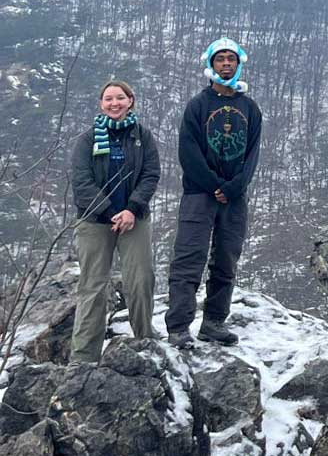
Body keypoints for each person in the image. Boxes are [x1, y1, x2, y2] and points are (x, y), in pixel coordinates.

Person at [165, 38, 262, 349]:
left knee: (226, 260)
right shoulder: (198, 105)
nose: (226, 64)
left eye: (231, 59)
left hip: (235, 198)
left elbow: (252, 154)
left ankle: (214, 322)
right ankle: (179, 325)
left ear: (239, 64)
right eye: (220, 59)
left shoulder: (249, 107)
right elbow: (188, 152)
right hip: (199, 195)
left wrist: (234, 187)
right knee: (189, 259)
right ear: (210, 64)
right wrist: (214, 185)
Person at [69, 80, 160, 363]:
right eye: (108, 99)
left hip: (135, 218)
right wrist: (111, 212)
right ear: (101, 104)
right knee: (94, 287)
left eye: (120, 98)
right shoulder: (87, 140)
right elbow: (81, 182)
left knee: (141, 280)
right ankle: (84, 357)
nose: (114, 103)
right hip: (96, 220)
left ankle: (145, 342)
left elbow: (150, 174)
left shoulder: (142, 137)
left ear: (130, 101)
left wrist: (132, 209)